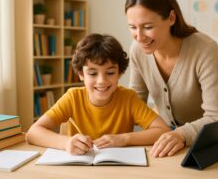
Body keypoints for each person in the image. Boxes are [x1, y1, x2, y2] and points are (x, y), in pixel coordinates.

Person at [125, 0, 218, 157]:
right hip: (172, 132)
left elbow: (217, 115)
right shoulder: (137, 50)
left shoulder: (205, 48)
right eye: (133, 27)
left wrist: (181, 134)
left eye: (147, 27)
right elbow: (135, 103)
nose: (139, 37)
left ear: (171, 18)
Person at [26, 33, 169, 155]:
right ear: (81, 74)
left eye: (110, 72)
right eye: (93, 73)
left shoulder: (128, 98)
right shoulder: (73, 97)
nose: (102, 81)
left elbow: (163, 130)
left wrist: (124, 139)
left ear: (119, 73)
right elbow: (33, 133)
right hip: (75, 168)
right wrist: (66, 143)